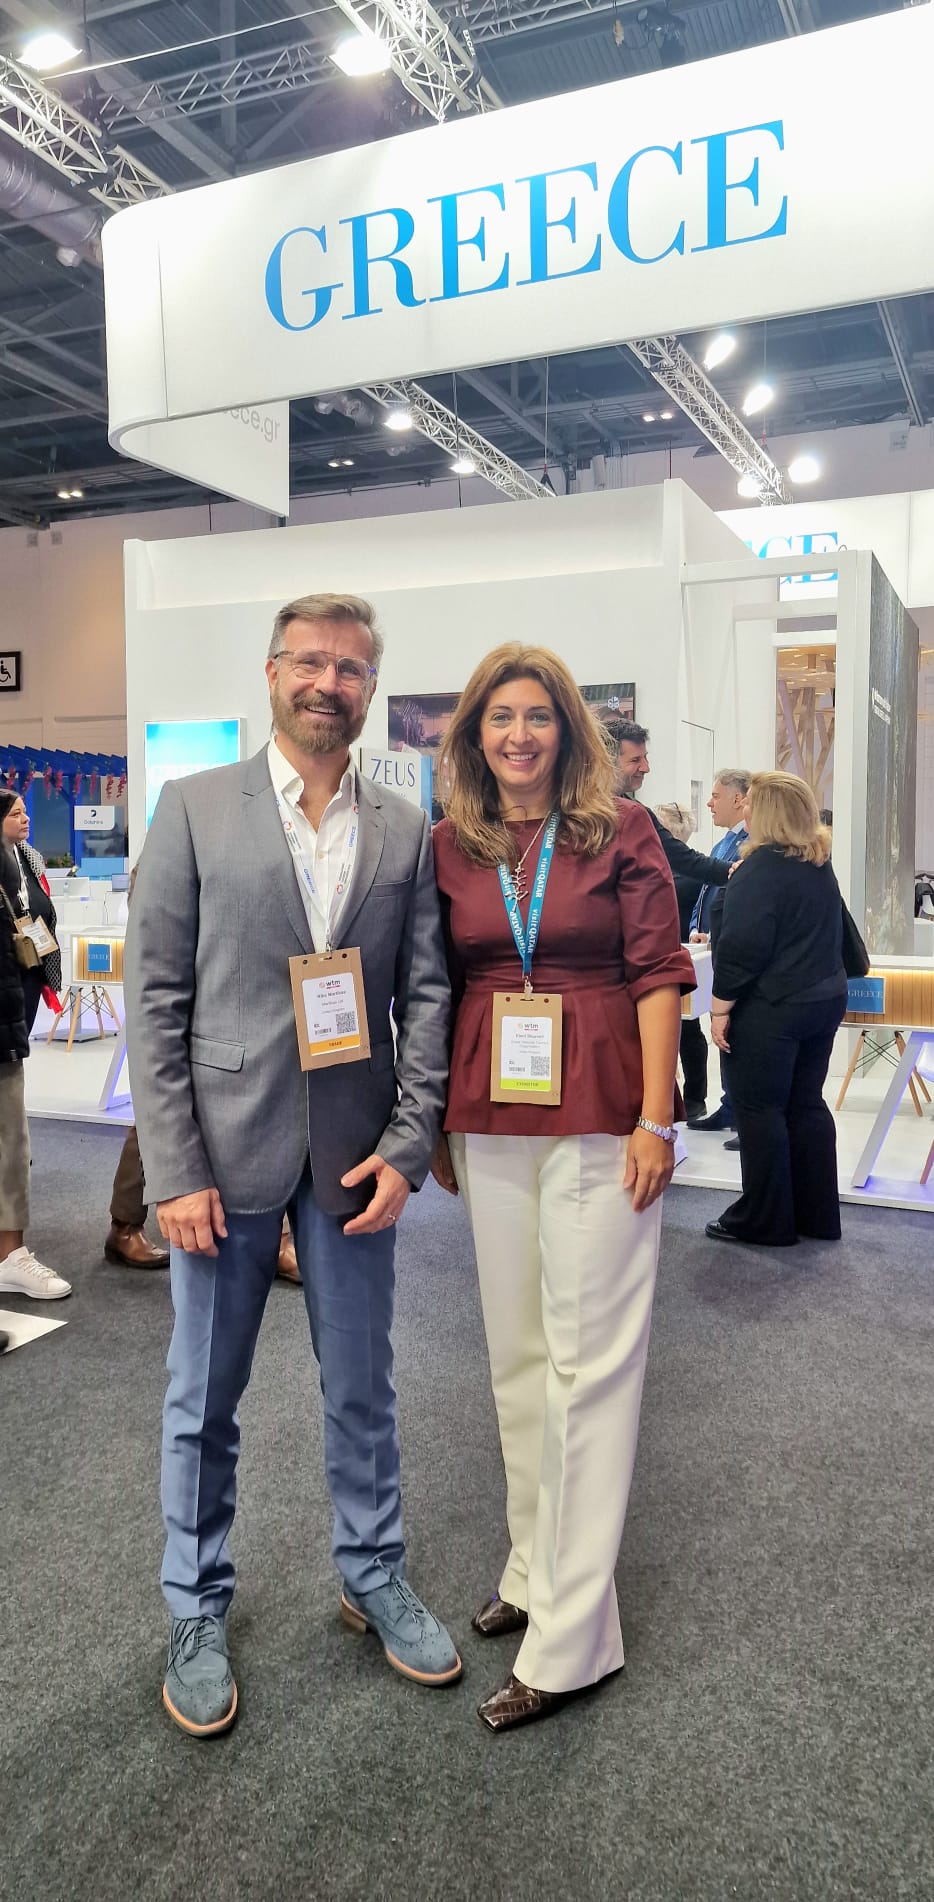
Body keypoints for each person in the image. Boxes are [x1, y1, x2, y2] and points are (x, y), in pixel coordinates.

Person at [124, 591, 460, 1740]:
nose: (329, 683)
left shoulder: (403, 827)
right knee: (203, 1398)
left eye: (351, 668)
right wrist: (173, 1170)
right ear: (272, 673)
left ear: (370, 688)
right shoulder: (192, 807)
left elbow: (426, 997)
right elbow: (154, 1002)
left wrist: (408, 1147)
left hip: (355, 1160)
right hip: (220, 1158)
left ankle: (372, 1573)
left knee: (362, 1386)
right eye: (309, 662)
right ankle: (194, 1605)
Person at [432, 645, 694, 1733]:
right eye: (500, 717)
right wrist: (434, 1121)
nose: (519, 735)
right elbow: (437, 981)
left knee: (590, 1363)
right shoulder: (452, 843)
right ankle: (534, 1569)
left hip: (602, 1112)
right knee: (519, 1358)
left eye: (538, 716)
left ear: (568, 731)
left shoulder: (619, 829)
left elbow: (659, 973)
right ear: (473, 735)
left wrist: (656, 1118)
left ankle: (576, 1638)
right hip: (491, 1112)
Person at [705, 771, 847, 1247]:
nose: (743, 809)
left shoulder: (758, 870)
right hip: (823, 1000)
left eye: (749, 803)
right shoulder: (818, 862)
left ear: (766, 812)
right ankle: (817, 1215)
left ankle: (765, 1220)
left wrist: (719, 1009)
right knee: (806, 1104)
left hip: (772, 1009)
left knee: (759, 1110)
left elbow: (741, 951)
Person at [0, 836, 71, 1301]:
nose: (24, 818)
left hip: (6, 1015)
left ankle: (10, 1255)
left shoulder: (20, 860)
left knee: (10, 1139)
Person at [685, 770, 751, 1138]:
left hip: (733, 955)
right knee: (722, 1034)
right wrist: (699, 930)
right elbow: (707, 892)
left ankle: (744, 1115)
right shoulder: (725, 843)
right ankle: (730, 1107)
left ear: (738, 800)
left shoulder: (751, 845)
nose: (709, 803)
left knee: (735, 1034)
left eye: (715, 796)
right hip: (713, 950)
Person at [606, 719, 733, 893]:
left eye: (645, 758)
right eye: (635, 760)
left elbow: (681, 858)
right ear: (606, 761)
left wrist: (734, 871)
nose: (646, 768)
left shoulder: (636, 813)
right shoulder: (574, 807)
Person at [655, 801, 709, 1122]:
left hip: (682, 955)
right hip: (673, 955)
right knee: (686, 1030)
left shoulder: (682, 875)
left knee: (687, 1030)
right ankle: (691, 1098)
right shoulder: (665, 869)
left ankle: (693, 1098)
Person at [0, 791, 61, 1033]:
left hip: (31, 961)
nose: (26, 819)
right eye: (16, 814)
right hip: (5, 965)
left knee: (21, 1037)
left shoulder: (30, 856)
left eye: (24, 812)